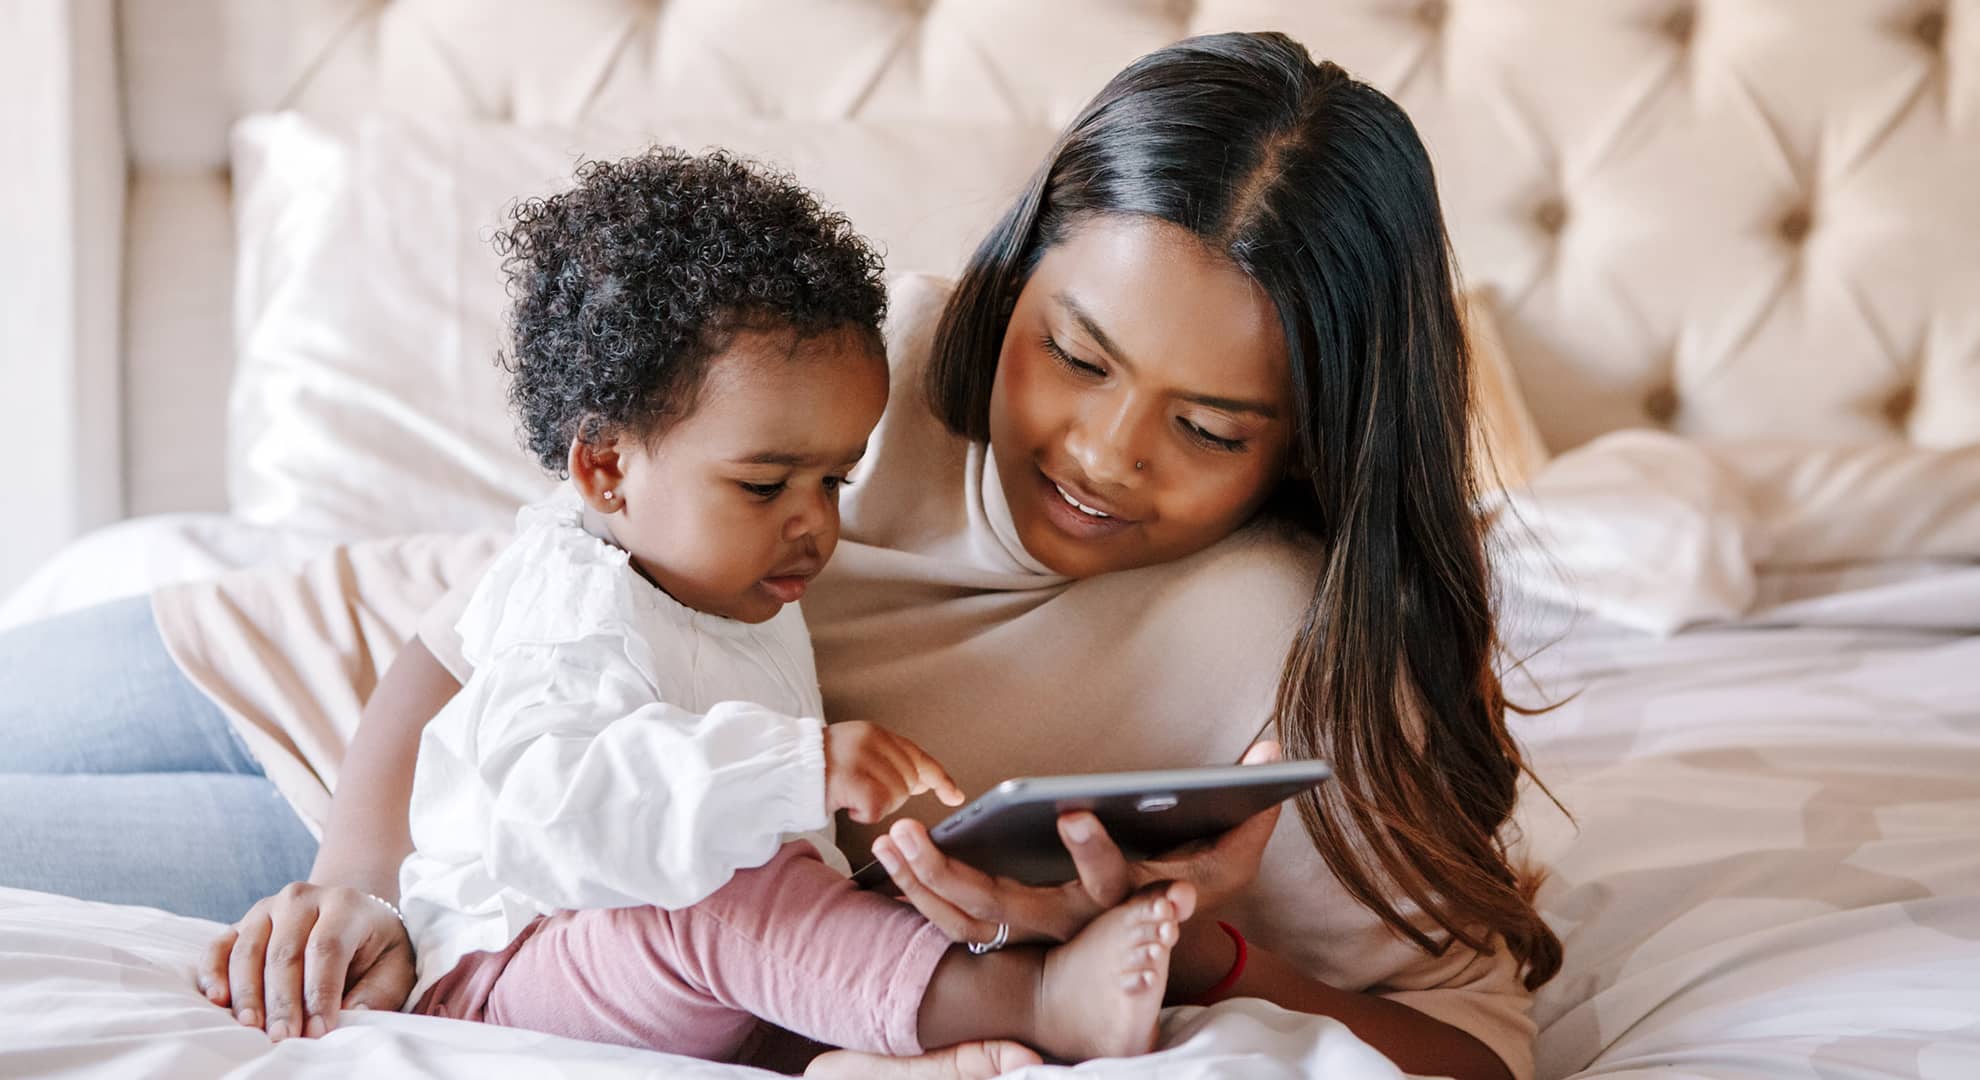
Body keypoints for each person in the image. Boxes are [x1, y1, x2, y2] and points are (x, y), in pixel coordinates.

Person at [0, 31, 1559, 1080]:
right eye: (1074, 356)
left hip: (545, 891)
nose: (1100, 453)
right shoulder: (881, 360)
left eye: (1210, 428)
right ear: (1021, 279)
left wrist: (1205, 952)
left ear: (1316, 439)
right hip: (364, 708)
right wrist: (354, 883)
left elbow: (1469, 1045)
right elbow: (473, 632)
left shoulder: (1299, 648)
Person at [393, 146, 1196, 1068]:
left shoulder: (732, 583)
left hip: (685, 984)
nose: (816, 523)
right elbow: (547, 817)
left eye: (835, 479)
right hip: (508, 980)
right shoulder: (571, 604)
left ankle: (852, 1052)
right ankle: (1034, 1002)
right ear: (607, 467)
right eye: (766, 484)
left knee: (789, 906)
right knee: (727, 901)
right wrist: (794, 767)